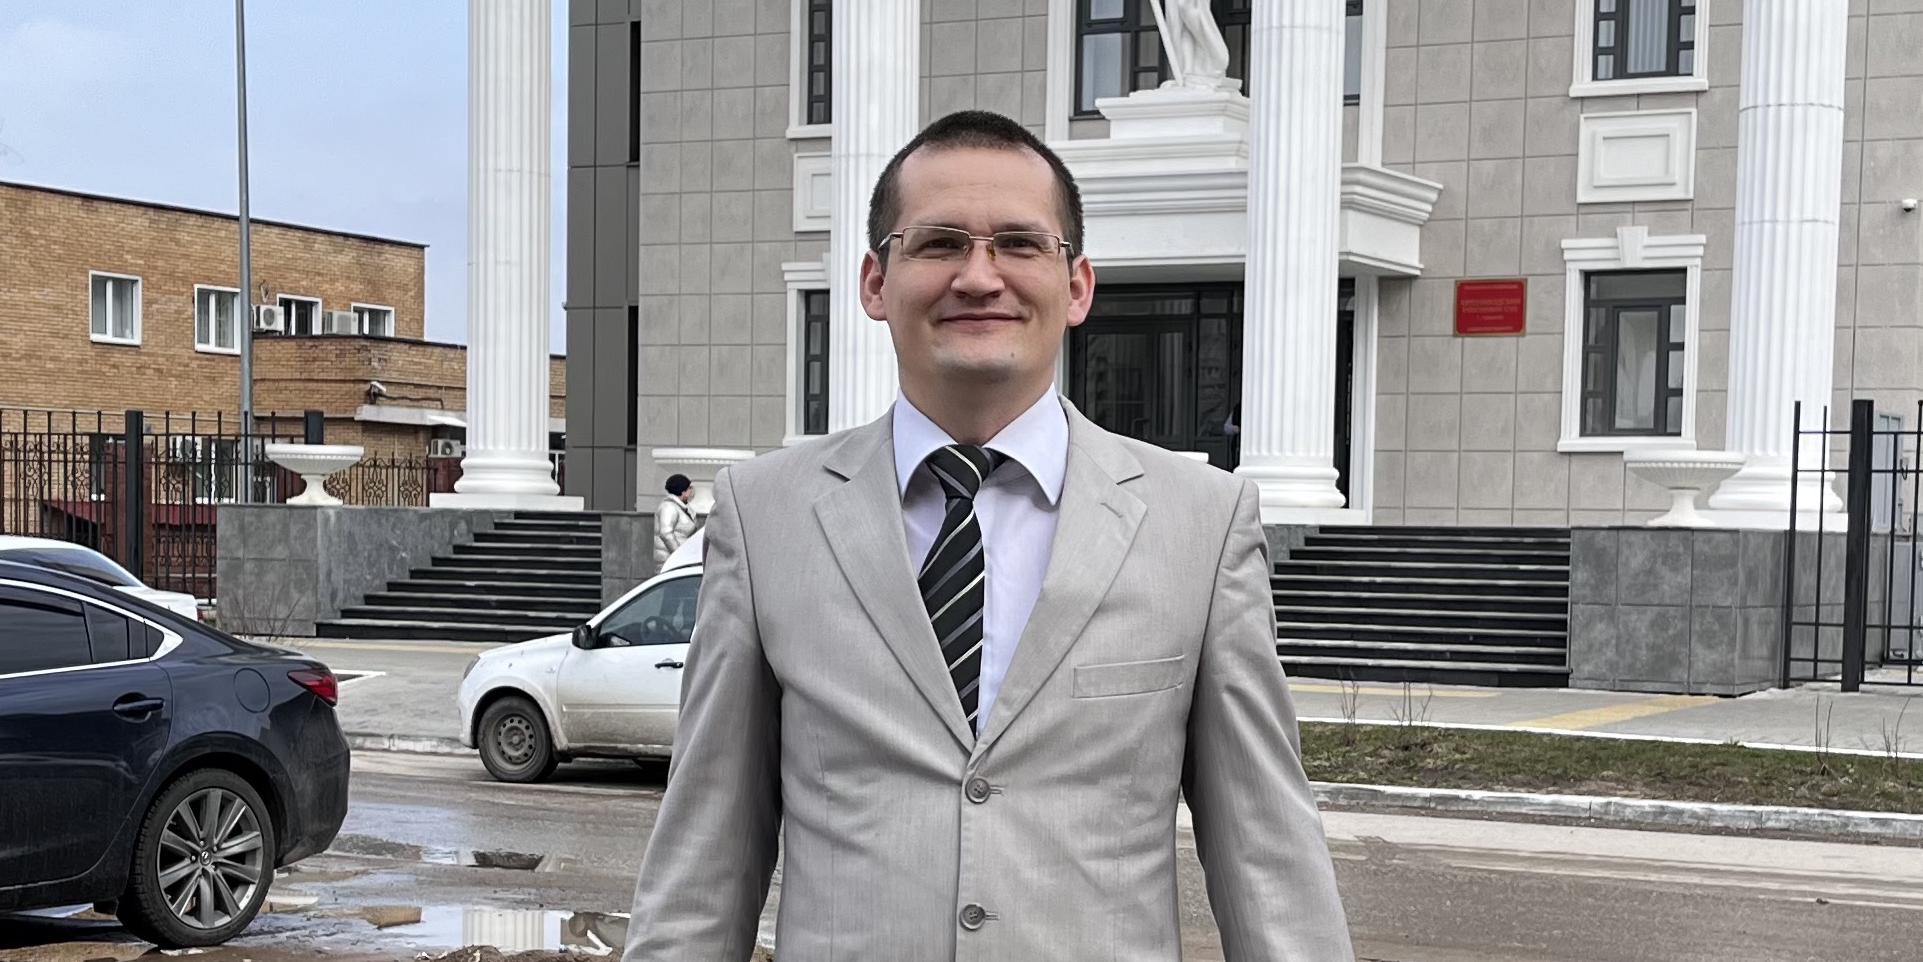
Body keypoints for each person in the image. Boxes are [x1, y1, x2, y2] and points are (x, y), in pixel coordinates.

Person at [625, 110, 1351, 961]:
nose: (978, 277)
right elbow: (705, 855)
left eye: (1019, 244)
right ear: (874, 282)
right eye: (939, 244)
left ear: (1076, 285)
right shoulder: (764, 515)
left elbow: (1267, 856)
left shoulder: (1200, 521)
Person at [652, 474, 697, 567]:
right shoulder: (668, 507)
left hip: (678, 561)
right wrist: (679, 555)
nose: (691, 491)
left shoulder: (680, 507)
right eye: (689, 488)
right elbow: (666, 534)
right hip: (670, 562)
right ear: (683, 491)